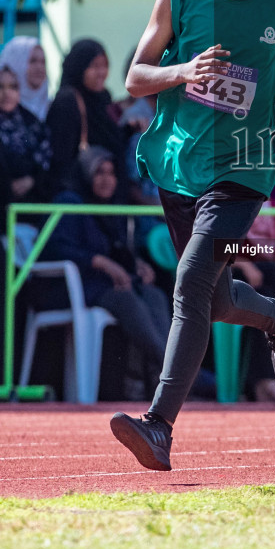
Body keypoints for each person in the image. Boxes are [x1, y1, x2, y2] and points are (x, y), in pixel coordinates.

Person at [112, 0, 275, 471]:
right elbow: (136, 77)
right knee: (208, 292)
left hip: (246, 169)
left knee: (189, 286)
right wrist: (183, 72)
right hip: (179, 165)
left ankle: (158, 426)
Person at [45, 146, 173, 395]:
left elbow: (117, 250)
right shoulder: (69, 202)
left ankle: (170, 370)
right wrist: (100, 262)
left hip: (106, 284)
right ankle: (175, 372)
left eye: (112, 173)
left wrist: (137, 265)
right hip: (77, 286)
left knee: (153, 294)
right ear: (85, 174)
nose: (106, 179)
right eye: (99, 172)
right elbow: (55, 249)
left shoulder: (111, 208)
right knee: (126, 299)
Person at [47, 39, 129, 195]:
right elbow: (61, 157)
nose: (101, 73)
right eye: (94, 66)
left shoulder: (103, 98)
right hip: (81, 195)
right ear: (79, 67)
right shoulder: (67, 101)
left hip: (107, 196)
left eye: (105, 66)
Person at [0, 61, 53, 219]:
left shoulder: (31, 123)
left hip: (32, 211)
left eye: (13, 87)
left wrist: (32, 180)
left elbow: (47, 164)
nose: (7, 93)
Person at [0, 36, 51, 121]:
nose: (39, 68)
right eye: (33, 61)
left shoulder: (50, 108)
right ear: (15, 63)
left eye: (43, 62)